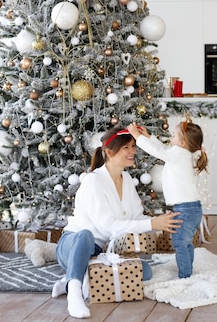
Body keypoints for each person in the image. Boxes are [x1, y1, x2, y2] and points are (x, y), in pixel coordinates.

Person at [52, 126, 182, 319]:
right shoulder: (93, 181)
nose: (132, 152)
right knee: (86, 236)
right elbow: (108, 226)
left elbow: (137, 216)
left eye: (133, 146)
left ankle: (75, 277)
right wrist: (152, 224)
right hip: (74, 245)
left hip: (102, 251)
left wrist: (162, 222)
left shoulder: (127, 179)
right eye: (126, 148)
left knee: (143, 272)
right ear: (110, 152)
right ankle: (74, 291)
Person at [128, 117, 208, 279]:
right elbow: (164, 149)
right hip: (194, 209)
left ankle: (185, 276)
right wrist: (149, 137)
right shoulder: (187, 154)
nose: (170, 138)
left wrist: (138, 137)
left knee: (180, 243)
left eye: (173, 135)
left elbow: (159, 152)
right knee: (186, 243)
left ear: (183, 142)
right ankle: (188, 271)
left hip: (183, 209)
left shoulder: (178, 154)